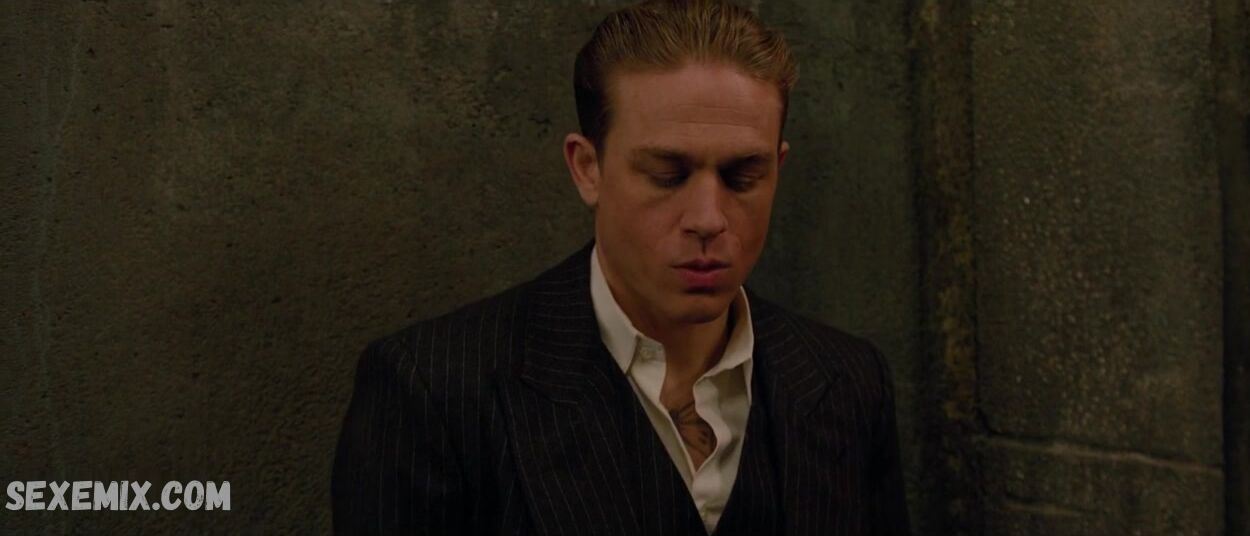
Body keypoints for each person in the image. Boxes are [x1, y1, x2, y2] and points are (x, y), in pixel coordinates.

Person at [331, 1, 910, 534]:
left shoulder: (847, 382)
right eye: (666, 175)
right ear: (587, 168)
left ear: (778, 169)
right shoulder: (435, 392)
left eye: (743, 177)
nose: (708, 218)